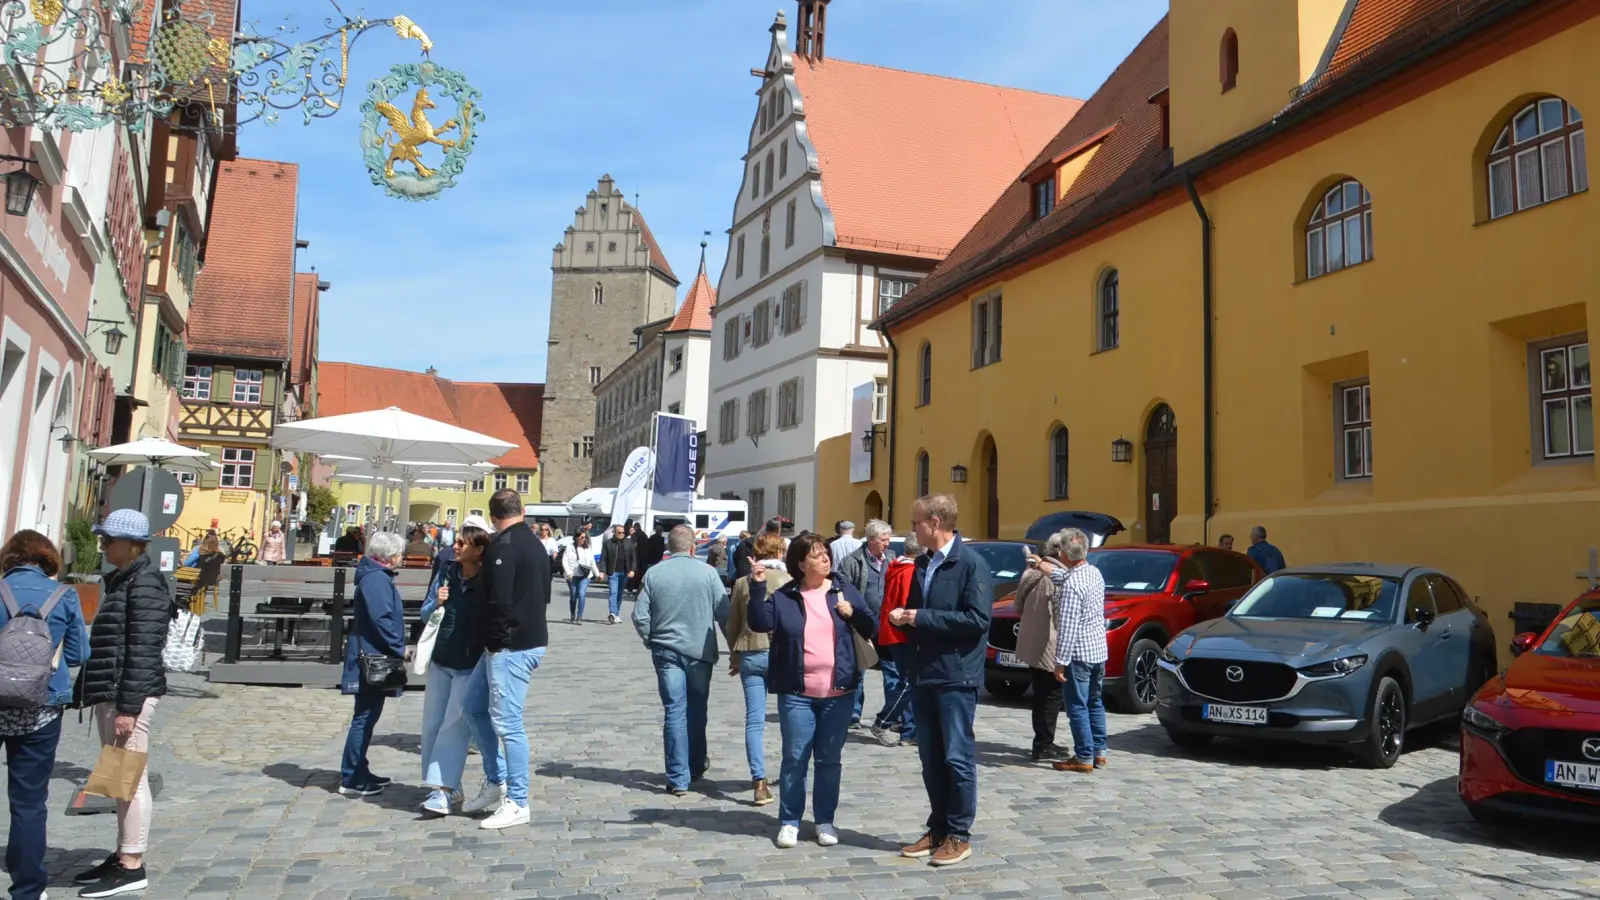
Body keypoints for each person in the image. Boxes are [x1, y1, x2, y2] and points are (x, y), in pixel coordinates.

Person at [747, 532, 877, 849]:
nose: (825, 559)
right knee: (795, 758)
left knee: (829, 760)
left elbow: (871, 626)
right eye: (817, 555)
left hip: (839, 692)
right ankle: (790, 821)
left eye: (826, 553)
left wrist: (853, 613)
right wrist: (757, 585)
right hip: (797, 693)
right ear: (801, 563)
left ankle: (824, 821)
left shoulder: (842, 590)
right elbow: (758, 622)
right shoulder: (786, 595)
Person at [74, 510, 173, 898]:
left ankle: (132, 864)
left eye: (108, 539)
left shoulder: (144, 583)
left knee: (130, 781)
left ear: (130, 545)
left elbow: (144, 651)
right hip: (115, 693)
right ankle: (123, 854)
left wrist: (129, 707)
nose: (102, 545)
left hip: (127, 696)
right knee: (119, 779)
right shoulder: (124, 580)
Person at [889, 494, 991, 868]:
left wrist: (919, 617)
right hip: (924, 672)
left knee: (957, 757)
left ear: (934, 522)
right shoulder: (923, 564)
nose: (912, 527)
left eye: (916, 521)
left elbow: (977, 620)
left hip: (956, 675)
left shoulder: (970, 564)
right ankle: (937, 828)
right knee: (930, 758)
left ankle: (959, 835)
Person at [1, 531, 88, 900]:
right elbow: (79, 654)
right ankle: (28, 890)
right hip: (41, 709)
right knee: (29, 802)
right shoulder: (64, 595)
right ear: (49, 559)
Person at [468, 489, 550, 829]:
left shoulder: (504, 547)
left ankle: (518, 800)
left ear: (492, 517)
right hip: (519, 641)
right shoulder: (535, 542)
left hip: (510, 646)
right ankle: (496, 780)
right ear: (523, 510)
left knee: (509, 724)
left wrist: (496, 643)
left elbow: (499, 603)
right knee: (471, 706)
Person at [632, 525, 725, 795]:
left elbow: (639, 616)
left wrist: (651, 638)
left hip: (666, 650)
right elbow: (724, 613)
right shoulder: (707, 573)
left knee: (674, 711)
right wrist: (737, 651)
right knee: (697, 709)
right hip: (699, 652)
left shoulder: (654, 573)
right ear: (693, 546)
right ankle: (695, 764)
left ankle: (677, 778)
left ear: (668, 547)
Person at [417, 519, 498, 817]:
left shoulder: (488, 580)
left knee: (454, 725)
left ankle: (445, 790)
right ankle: (443, 785)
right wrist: (435, 604)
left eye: (462, 543)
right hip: (441, 658)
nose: (455, 546)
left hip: (469, 663)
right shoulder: (447, 572)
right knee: (432, 725)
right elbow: (425, 613)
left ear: (478, 550)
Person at [338, 530, 407, 799]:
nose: (401, 557)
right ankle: (351, 775)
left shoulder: (375, 576)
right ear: (390, 556)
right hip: (371, 656)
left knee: (368, 715)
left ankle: (359, 769)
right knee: (364, 717)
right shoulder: (376, 579)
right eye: (399, 552)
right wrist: (399, 647)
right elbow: (382, 618)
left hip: (372, 652)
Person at [722, 531, 788, 807]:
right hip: (784, 656)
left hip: (751, 652)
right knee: (790, 719)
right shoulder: (789, 581)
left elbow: (732, 623)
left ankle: (759, 782)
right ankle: (789, 773)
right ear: (781, 553)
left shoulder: (741, 583)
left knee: (755, 721)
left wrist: (735, 657)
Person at [1037, 528, 1109, 774]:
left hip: (1078, 654)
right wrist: (1041, 566)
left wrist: (1059, 662)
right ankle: (1099, 752)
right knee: (1095, 702)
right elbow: (1066, 576)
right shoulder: (1093, 573)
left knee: (1077, 706)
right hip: (1098, 650)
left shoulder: (1071, 586)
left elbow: (1067, 628)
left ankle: (1084, 756)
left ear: (1065, 554)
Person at [1014, 532, 1068, 761]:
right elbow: (1062, 614)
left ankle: (1042, 741)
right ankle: (1044, 744)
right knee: (1051, 695)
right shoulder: (1060, 576)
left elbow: (1018, 605)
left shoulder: (1030, 572)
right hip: (1050, 642)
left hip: (1031, 641)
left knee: (1039, 694)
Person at [872, 537, 921, 747]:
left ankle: (909, 730)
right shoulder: (909, 572)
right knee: (908, 683)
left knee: (906, 681)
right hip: (902, 634)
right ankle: (883, 721)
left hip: (893, 632)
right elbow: (907, 605)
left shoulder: (897, 567)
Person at [600, 524, 635, 625]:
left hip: (624, 572)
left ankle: (616, 613)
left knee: (619, 594)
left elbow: (633, 557)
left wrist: (632, 570)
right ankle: (612, 613)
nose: (621, 534)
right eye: (619, 532)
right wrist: (602, 571)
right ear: (614, 533)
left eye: (623, 532)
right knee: (613, 592)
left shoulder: (628, 542)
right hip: (613, 572)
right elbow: (603, 557)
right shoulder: (608, 543)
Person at [561, 532, 596, 625]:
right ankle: (572, 613)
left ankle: (580, 616)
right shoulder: (570, 547)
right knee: (573, 596)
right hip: (572, 575)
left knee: (581, 594)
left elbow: (592, 561)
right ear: (576, 538)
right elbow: (565, 560)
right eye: (582, 537)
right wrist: (568, 572)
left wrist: (597, 573)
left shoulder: (587, 548)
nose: (584, 539)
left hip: (584, 576)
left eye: (585, 537)